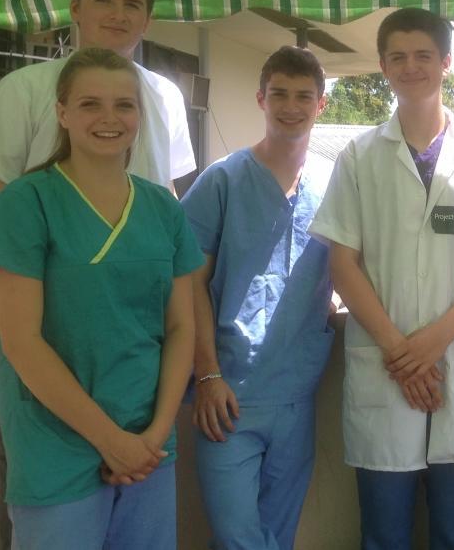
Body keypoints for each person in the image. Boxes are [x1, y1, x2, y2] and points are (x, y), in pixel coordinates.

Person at [0, 0, 196, 547]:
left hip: (139, 394)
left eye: (133, 5)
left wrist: (150, 431)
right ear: (74, 7)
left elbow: (169, 244)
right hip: (42, 367)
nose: (118, 15)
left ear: (147, 19)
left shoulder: (164, 100)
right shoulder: (25, 92)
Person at [309, 7, 454, 549]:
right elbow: (342, 263)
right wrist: (402, 351)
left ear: (445, 62)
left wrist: (433, 342)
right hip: (386, 365)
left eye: (423, 55)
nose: (410, 66)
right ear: (382, 65)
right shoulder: (358, 156)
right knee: (383, 532)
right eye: (397, 57)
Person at [180, 46, 335, 550]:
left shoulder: (333, 186)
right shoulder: (221, 180)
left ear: (322, 105)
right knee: (240, 538)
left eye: (303, 97)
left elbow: (352, 270)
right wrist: (206, 374)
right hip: (227, 396)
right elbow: (188, 283)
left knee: (278, 536)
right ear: (260, 98)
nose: (291, 106)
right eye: (280, 94)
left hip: (296, 393)